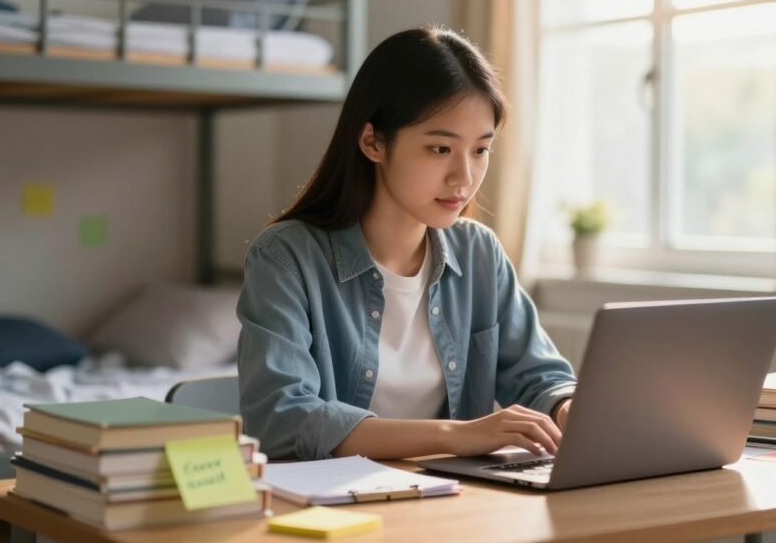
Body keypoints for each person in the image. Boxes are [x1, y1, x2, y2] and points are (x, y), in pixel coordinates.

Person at [237, 25, 576, 461]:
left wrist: (571, 410)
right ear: (373, 141)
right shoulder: (286, 258)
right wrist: (456, 435)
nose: (464, 178)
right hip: (339, 515)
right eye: (440, 149)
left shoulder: (479, 254)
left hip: (456, 503)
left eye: (480, 150)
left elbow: (540, 377)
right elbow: (284, 419)